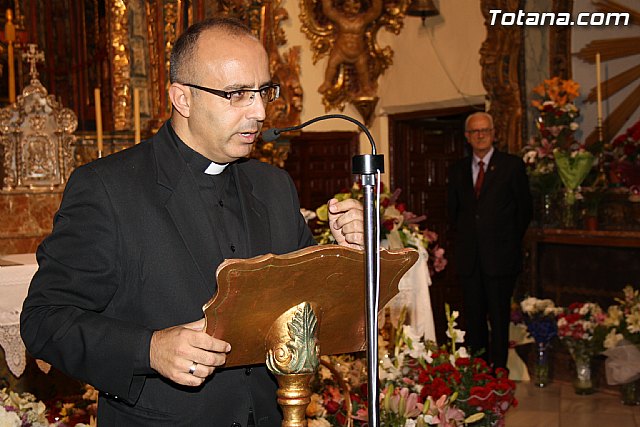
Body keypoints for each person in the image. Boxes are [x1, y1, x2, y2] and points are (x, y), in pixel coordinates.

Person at [20, 18, 364, 427]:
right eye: (236, 94)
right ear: (182, 99)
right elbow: (45, 320)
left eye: (263, 92)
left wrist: (349, 255)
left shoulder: (273, 186)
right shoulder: (108, 189)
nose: (258, 112)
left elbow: (307, 308)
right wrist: (148, 350)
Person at [447, 112, 532, 370]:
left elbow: (524, 211)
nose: (480, 135)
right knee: (474, 319)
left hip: (501, 259)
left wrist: (505, 241)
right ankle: (479, 370)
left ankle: (499, 371)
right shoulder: (458, 170)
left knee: (498, 316)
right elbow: (453, 212)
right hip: (470, 259)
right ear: (467, 137)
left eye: (484, 130)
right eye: (475, 132)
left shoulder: (511, 166)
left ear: (494, 134)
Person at [318, 0, 382, 96]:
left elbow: (376, 11)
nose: (350, 11)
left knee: (363, 71)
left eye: (355, 8)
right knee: (332, 64)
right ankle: (327, 83)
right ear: (342, 6)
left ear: (361, 8)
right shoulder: (340, 19)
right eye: (347, 6)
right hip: (340, 51)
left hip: (359, 53)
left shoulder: (363, 19)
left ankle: (366, 87)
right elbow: (328, 10)